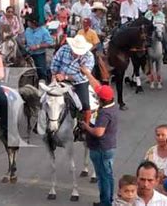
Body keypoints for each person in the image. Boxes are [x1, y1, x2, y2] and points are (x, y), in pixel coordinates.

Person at [79, 69, 118, 206]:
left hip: (101, 149)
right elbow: (97, 87)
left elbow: (98, 132)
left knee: (103, 177)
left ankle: (105, 203)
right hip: (108, 147)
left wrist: (86, 126)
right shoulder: (111, 106)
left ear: (102, 99)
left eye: (98, 96)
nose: (96, 96)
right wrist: (87, 73)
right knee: (108, 176)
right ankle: (108, 200)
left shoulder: (104, 113)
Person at [51, 35, 95, 132]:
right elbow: (55, 63)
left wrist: (65, 77)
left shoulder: (89, 57)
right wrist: (54, 75)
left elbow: (83, 75)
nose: (77, 53)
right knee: (48, 97)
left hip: (79, 82)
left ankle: (85, 128)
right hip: (60, 78)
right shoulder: (63, 49)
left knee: (85, 104)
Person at [24, 15, 54, 82]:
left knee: (41, 71)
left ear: (33, 23)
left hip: (39, 54)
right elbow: (25, 41)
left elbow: (50, 43)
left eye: (28, 21)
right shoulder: (27, 30)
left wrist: (38, 46)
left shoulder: (44, 31)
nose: (27, 22)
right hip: (28, 53)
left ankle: (43, 83)